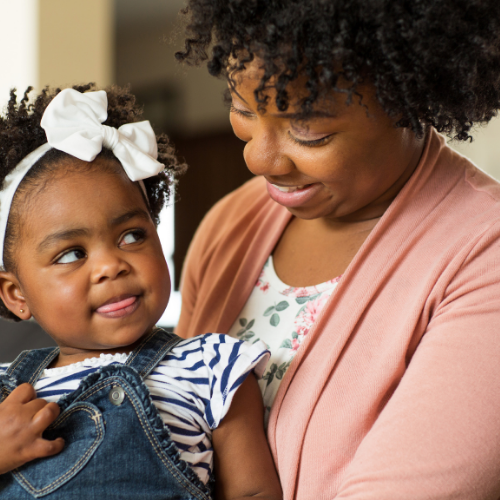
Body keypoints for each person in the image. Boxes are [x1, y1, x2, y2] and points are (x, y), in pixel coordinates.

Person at [174, 1, 500, 499]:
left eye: (310, 132)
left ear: (409, 99)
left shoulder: (484, 257)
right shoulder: (232, 223)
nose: (258, 158)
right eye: (243, 109)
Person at [0, 85, 282, 500]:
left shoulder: (212, 368)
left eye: (132, 235)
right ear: (15, 294)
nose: (111, 265)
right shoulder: (7, 392)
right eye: (71, 253)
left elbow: (254, 492)